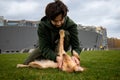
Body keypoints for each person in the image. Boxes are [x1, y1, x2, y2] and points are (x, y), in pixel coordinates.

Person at [23, 0, 82, 69]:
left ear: (64, 16)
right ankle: (54, 59)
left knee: (65, 33)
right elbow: (44, 47)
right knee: (27, 63)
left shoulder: (71, 25)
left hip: (60, 49)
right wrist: (55, 57)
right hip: (47, 47)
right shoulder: (43, 26)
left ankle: (58, 59)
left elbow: (76, 46)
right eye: (55, 21)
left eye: (61, 20)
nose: (59, 23)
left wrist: (75, 56)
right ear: (49, 18)